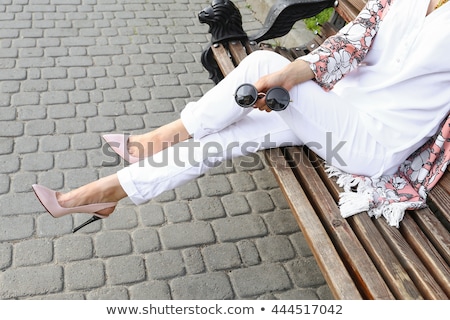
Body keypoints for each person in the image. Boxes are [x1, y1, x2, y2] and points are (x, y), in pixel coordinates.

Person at [32, 0, 450, 231]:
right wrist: (291, 78)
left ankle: (161, 138)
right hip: (335, 109)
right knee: (228, 135)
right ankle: (101, 196)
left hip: (374, 142)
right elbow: (347, 44)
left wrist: (283, 76)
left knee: (257, 65)